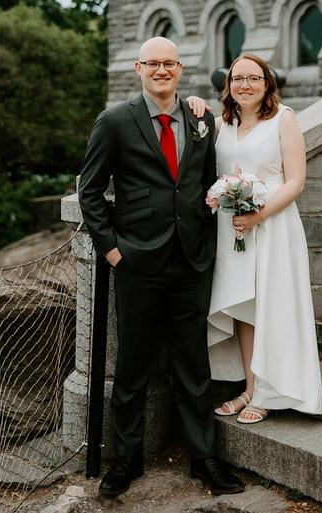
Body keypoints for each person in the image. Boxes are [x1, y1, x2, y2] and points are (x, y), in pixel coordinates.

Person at [78, 37, 244, 497]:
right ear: (138, 68)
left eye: (169, 64)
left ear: (180, 68)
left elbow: (208, 182)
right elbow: (90, 191)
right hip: (138, 261)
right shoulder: (114, 121)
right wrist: (111, 249)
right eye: (153, 63)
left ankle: (203, 458)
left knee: (194, 365)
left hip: (192, 260)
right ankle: (125, 460)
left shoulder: (201, 118)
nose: (161, 71)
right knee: (133, 365)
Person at [191, 53, 322, 424]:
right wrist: (193, 104)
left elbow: (296, 181)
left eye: (253, 78)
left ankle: (269, 392)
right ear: (227, 86)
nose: (244, 85)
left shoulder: (284, 119)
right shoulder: (220, 125)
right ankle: (250, 388)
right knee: (244, 309)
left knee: (272, 306)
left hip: (273, 225)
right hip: (233, 231)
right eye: (237, 79)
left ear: (267, 84)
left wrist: (259, 216)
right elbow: (190, 129)